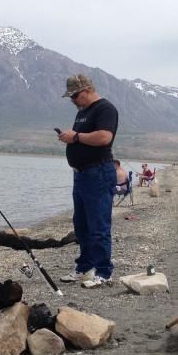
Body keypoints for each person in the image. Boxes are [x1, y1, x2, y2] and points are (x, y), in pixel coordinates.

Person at [56, 74, 119, 288]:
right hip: (81, 174)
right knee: (81, 225)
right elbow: (80, 137)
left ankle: (104, 272)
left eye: (74, 96)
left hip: (99, 172)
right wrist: (70, 138)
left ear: (86, 90)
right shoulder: (83, 112)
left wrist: (75, 137)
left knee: (99, 225)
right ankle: (84, 267)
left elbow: (103, 137)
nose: (72, 100)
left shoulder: (105, 109)